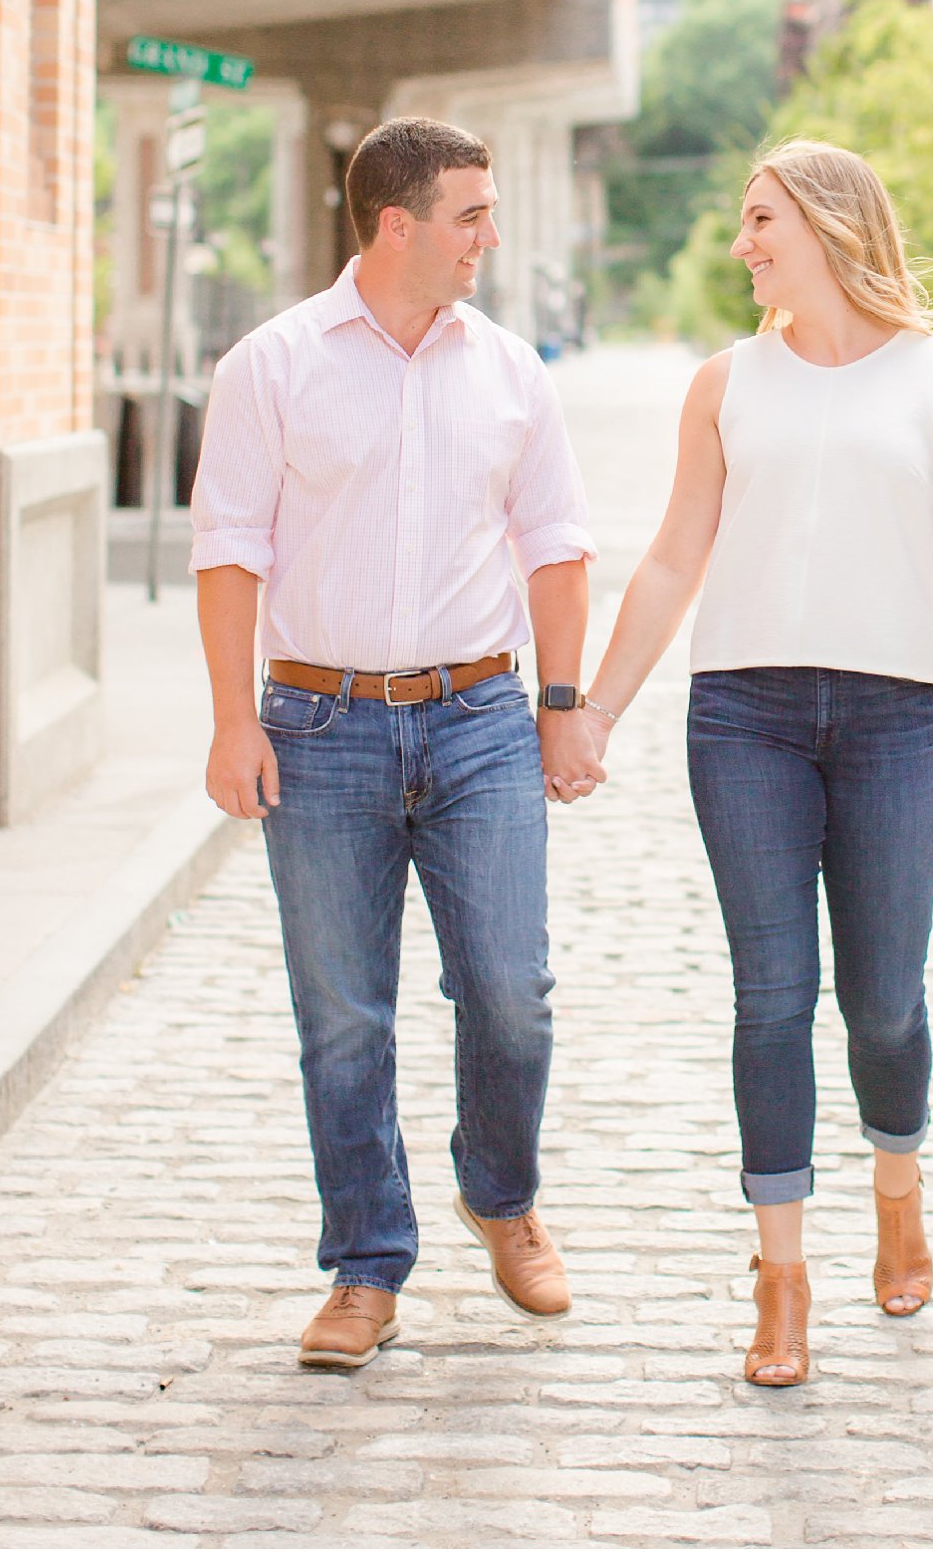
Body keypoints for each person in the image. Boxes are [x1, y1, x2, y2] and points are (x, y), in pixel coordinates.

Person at [566, 138, 933, 1388]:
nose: (740, 241)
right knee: (770, 997)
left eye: (757, 217)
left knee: (880, 1001)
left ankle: (896, 1185)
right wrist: (596, 710)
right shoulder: (724, 383)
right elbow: (670, 559)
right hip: (744, 720)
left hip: (895, 723)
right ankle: (779, 1278)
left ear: (825, 221)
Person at [190, 116, 607, 1370]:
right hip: (316, 729)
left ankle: (501, 1194)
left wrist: (561, 702)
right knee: (342, 1017)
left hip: (479, 718)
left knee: (509, 994)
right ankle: (365, 1267)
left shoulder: (510, 370)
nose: (490, 235)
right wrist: (228, 720)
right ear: (396, 225)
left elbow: (555, 543)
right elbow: (227, 552)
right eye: (471, 213)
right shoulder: (270, 367)